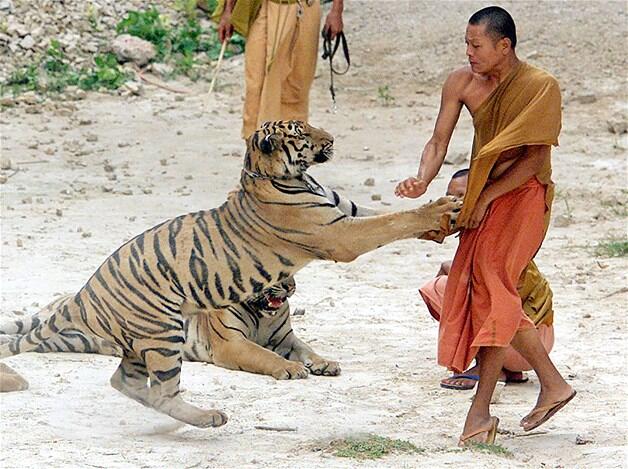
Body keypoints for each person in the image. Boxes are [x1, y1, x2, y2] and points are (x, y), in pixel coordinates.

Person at [395, 6, 575, 445]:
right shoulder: (461, 82)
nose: (470, 53)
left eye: (477, 45)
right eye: (466, 44)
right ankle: (525, 396)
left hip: (523, 196)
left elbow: (534, 160)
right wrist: (422, 179)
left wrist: (484, 198)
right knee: (487, 290)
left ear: (504, 46)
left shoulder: (539, 87)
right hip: (484, 195)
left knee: (492, 281)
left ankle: (490, 408)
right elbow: (439, 140)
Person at [419, 169, 555, 391]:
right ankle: (508, 368)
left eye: (462, 196)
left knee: (442, 288)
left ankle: (488, 367)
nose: (454, 204)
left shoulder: (492, 234)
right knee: (462, 283)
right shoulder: (501, 225)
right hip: (537, 342)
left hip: (523, 345)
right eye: (450, 197)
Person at [216, 0, 344, 138]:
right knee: (256, 85)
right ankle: (257, 147)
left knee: (297, 87)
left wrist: (336, 11)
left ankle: (292, 147)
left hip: (307, 8)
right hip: (266, 8)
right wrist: (228, 11)